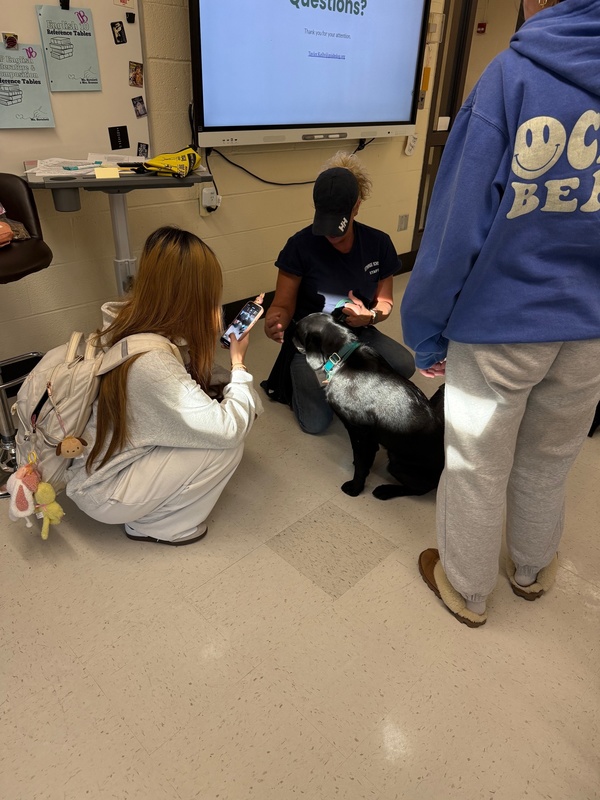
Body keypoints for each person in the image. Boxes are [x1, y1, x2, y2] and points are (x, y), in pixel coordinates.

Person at [401, 0, 600, 626]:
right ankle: (533, 570)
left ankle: (466, 589)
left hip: (500, 324)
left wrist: (426, 328)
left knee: (476, 463)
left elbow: (454, 228)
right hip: (591, 326)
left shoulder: (511, 77)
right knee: (550, 457)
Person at [66, 226, 263, 545]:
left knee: (231, 402)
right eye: (210, 297)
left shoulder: (126, 320)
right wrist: (239, 364)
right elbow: (229, 429)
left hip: (91, 465)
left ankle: (149, 508)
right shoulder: (152, 365)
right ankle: (157, 526)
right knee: (226, 446)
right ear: (189, 299)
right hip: (104, 492)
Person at [263, 152, 415, 434]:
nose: (331, 234)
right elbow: (282, 305)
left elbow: (384, 302)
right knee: (316, 424)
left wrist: (369, 317)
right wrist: (275, 319)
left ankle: (346, 376)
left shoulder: (378, 244)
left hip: (356, 332)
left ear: (356, 207)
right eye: (325, 223)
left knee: (404, 365)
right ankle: (301, 382)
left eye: (339, 226)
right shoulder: (299, 246)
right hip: (311, 341)